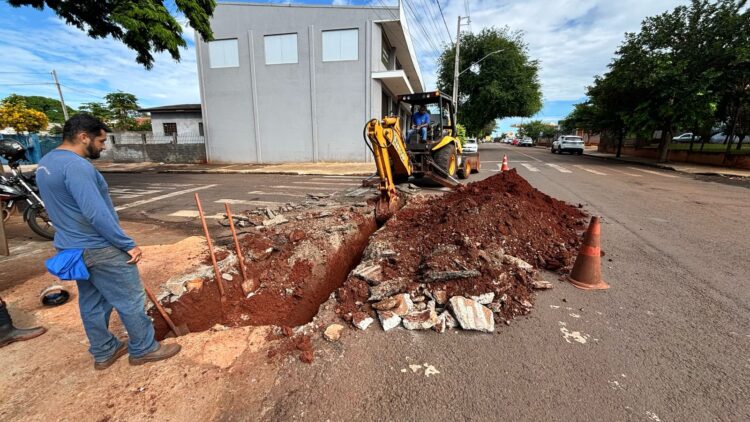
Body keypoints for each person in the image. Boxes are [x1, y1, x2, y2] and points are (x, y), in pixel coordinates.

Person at [36, 114, 180, 370]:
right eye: (101, 141)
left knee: (92, 301)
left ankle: (104, 351)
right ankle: (144, 349)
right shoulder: (77, 167)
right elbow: (96, 213)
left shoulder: (47, 163)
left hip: (72, 247)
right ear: (83, 137)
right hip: (99, 247)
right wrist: (126, 243)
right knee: (130, 300)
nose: (103, 146)